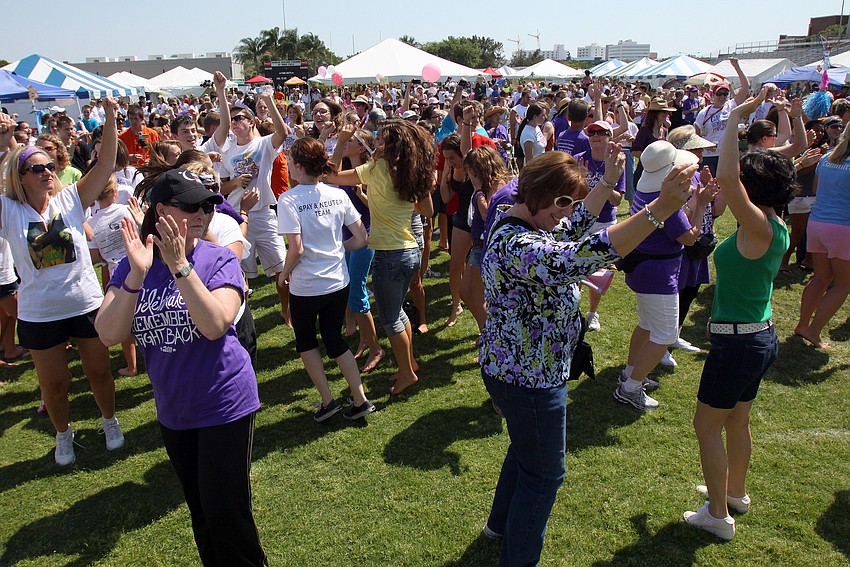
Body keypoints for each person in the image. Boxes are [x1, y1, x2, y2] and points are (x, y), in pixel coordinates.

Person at [480, 147, 695, 566]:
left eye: (571, 202)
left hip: (515, 370)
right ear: (535, 191)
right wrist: (659, 210)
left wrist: (608, 181)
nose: (567, 212)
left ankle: (498, 526)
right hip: (530, 379)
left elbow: (574, 225)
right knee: (545, 475)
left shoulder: (526, 221)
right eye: (561, 201)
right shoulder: (517, 244)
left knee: (525, 452)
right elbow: (579, 255)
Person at [95, 168, 267, 565]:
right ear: (160, 210)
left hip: (224, 403)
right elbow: (107, 333)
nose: (201, 214)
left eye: (206, 205)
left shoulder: (218, 258)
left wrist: (180, 267)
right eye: (190, 206)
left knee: (226, 513)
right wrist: (137, 274)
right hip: (174, 410)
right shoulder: (133, 265)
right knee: (202, 513)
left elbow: (215, 325)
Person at [684, 94, 796, 541]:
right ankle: (733, 493)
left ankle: (717, 515)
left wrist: (733, 118)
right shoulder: (774, 225)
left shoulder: (759, 227)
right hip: (758, 337)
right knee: (736, 420)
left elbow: (729, 177)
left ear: (753, 189)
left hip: (738, 344)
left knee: (706, 426)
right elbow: (739, 177)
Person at [0, 103, 124, 466]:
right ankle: (63, 434)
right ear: (20, 177)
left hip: (84, 304)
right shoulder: (9, 210)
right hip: (40, 313)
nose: (47, 172)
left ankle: (109, 421)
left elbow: (105, 164)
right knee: (54, 384)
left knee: (99, 371)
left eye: (50, 166)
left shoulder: (70, 199)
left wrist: (111, 118)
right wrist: (5, 138)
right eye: (37, 168)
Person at [326, 120, 434, 395]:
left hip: (390, 254)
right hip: (410, 250)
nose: (375, 143)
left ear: (390, 145)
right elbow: (428, 211)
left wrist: (341, 141)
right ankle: (409, 364)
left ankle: (407, 373)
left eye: (379, 140)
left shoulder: (376, 169)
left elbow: (331, 175)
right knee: (398, 312)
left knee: (390, 318)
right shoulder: (410, 170)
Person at [278, 138, 375, 421]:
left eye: (290, 162)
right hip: (337, 281)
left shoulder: (289, 199)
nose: (288, 167)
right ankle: (360, 399)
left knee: (307, 341)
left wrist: (284, 274)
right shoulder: (337, 194)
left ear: (298, 166)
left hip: (306, 286)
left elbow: (296, 249)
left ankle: (328, 401)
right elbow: (361, 237)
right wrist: (337, 250)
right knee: (334, 338)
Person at [615, 141, 712, 409]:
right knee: (665, 335)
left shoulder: (646, 193)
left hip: (643, 269)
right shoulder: (665, 201)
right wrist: (701, 204)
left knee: (647, 325)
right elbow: (689, 238)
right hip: (659, 275)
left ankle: (630, 373)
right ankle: (630, 388)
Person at [795, 120, 850, 348]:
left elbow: (816, 189)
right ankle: (814, 330)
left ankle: (803, 325)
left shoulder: (827, 158)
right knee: (843, 284)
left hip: (817, 223)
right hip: (843, 228)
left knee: (821, 277)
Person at [573, 120, 625, 332]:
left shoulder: (616, 162)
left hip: (604, 221)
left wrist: (607, 181)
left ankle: (592, 313)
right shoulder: (579, 159)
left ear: (609, 137)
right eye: (592, 132)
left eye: (601, 133)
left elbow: (617, 200)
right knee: (574, 265)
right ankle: (572, 309)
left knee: (598, 270)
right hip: (580, 220)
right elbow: (571, 195)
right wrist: (581, 180)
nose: (595, 136)